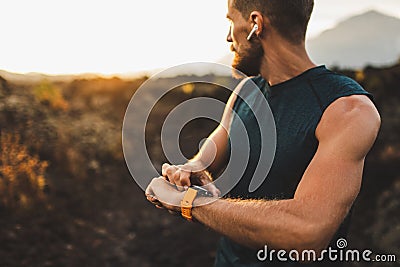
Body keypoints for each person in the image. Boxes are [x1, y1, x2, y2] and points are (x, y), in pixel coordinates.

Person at [145, 0, 381, 266]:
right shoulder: (245, 92)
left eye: (231, 21)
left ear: (255, 24)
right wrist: (191, 168)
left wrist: (188, 202)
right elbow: (217, 141)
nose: (227, 36)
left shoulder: (347, 109)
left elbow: (306, 233)